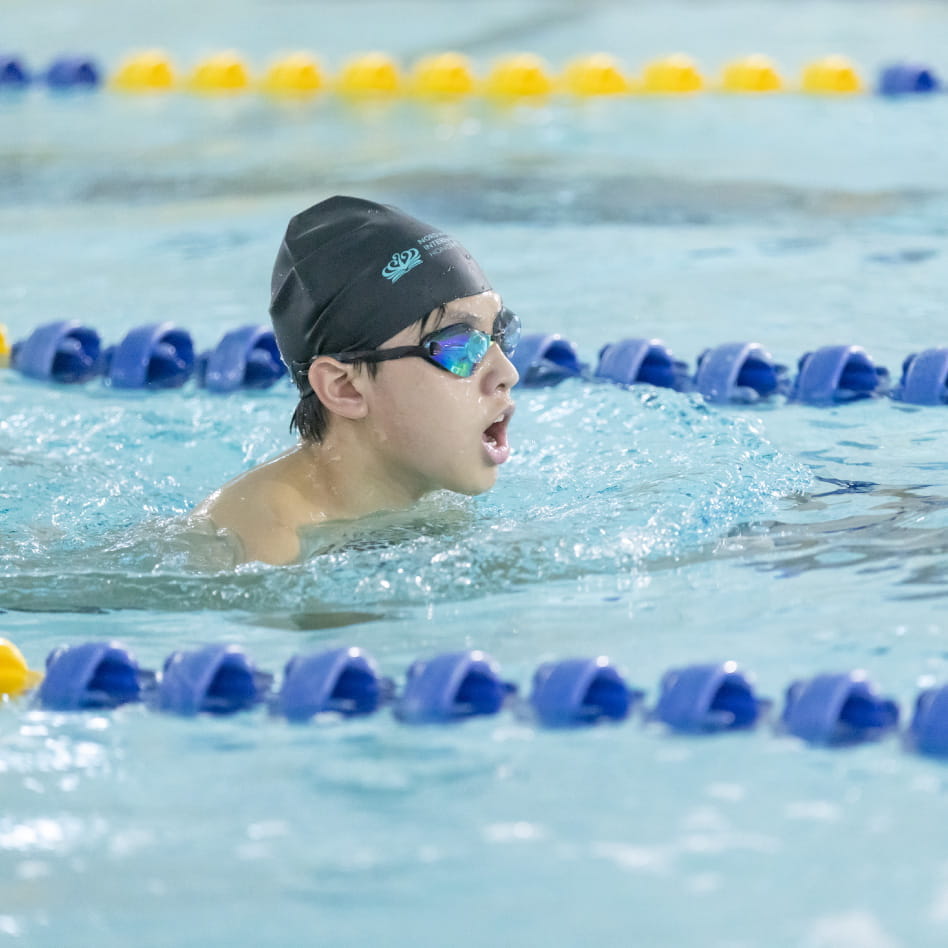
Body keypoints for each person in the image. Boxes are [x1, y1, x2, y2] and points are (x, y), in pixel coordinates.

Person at [194, 195, 520, 566]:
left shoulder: (428, 487)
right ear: (344, 388)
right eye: (458, 345)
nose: (508, 372)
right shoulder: (260, 541)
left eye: (501, 333)